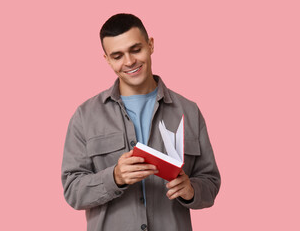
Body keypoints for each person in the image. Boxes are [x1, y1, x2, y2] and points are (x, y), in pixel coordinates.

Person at [61, 13, 221, 231]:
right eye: (117, 56)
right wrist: (114, 177)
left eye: (136, 49)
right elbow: (72, 191)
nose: (129, 62)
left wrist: (191, 189)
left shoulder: (189, 111)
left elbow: (210, 182)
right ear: (107, 59)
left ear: (151, 45)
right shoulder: (85, 115)